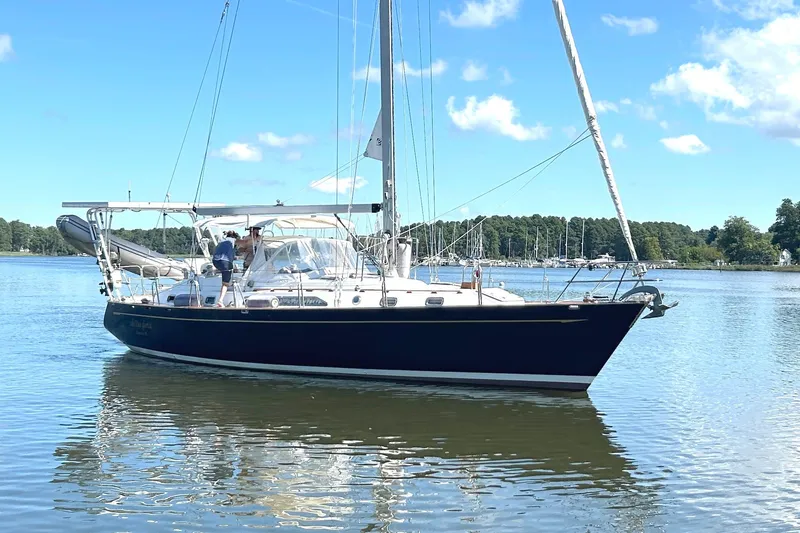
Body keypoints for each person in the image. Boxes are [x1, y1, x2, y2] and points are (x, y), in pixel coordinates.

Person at [212, 230, 239, 307]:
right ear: (234, 236)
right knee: (225, 284)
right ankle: (220, 301)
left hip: (215, 261)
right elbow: (244, 243)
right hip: (225, 262)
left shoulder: (222, 241)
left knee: (225, 270)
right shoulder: (233, 240)